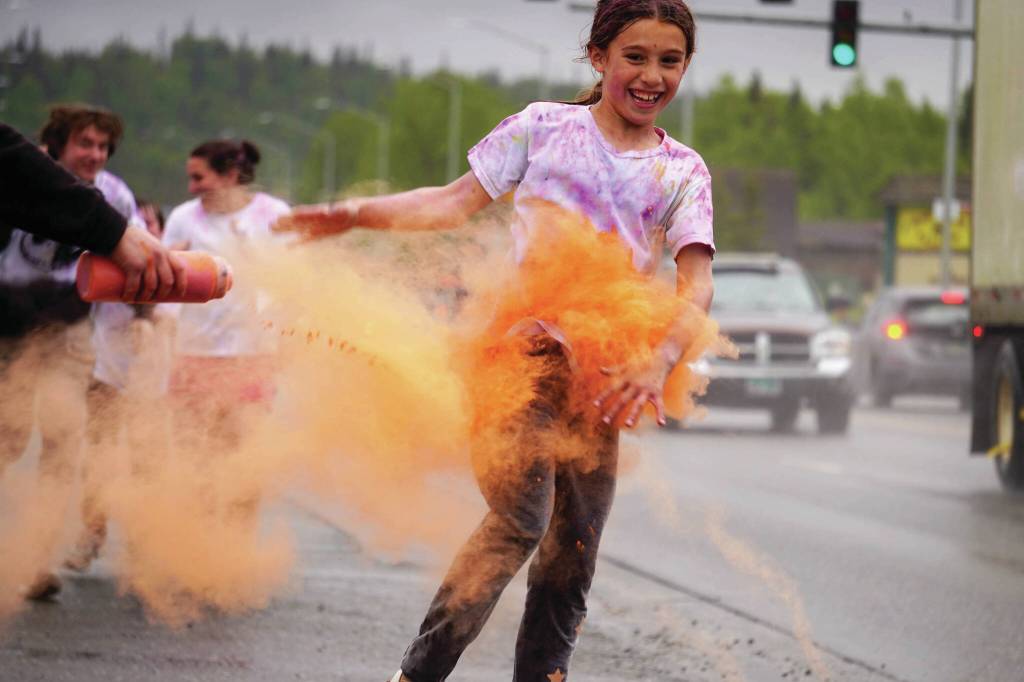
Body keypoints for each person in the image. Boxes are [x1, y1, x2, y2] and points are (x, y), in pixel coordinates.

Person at [276, 1, 714, 680]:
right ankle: (418, 674)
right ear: (598, 58)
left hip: (600, 382)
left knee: (574, 550)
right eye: (635, 56)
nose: (652, 75)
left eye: (670, 60)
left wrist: (659, 362)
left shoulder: (683, 170)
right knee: (522, 519)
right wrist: (350, 214)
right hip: (515, 361)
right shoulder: (541, 129)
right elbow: (450, 203)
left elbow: (697, 284)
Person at [64, 196, 175, 572]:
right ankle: (91, 536)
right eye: (136, 227)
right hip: (106, 377)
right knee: (97, 461)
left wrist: (149, 320)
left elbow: (174, 325)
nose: (143, 235)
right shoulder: (106, 270)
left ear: (160, 232)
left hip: (151, 389)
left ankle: (145, 545)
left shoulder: (176, 272)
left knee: (148, 465)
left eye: (151, 226)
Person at [162, 140, 288, 465]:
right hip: (194, 353)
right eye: (190, 178)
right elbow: (165, 294)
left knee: (242, 462)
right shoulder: (182, 218)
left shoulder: (273, 215)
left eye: (199, 178)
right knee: (196, 460)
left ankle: (239, 518)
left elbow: (291, 283)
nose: (192, 188)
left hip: (251, 356)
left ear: (230, 175)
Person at [0, 121, 185, 302]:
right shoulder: (21, 179)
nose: (95, 155)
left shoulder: (116, 193)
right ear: (58, 146)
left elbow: (140, 252)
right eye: (85, 144)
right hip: (11, 297)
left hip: (73, 306)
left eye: (103, 147)